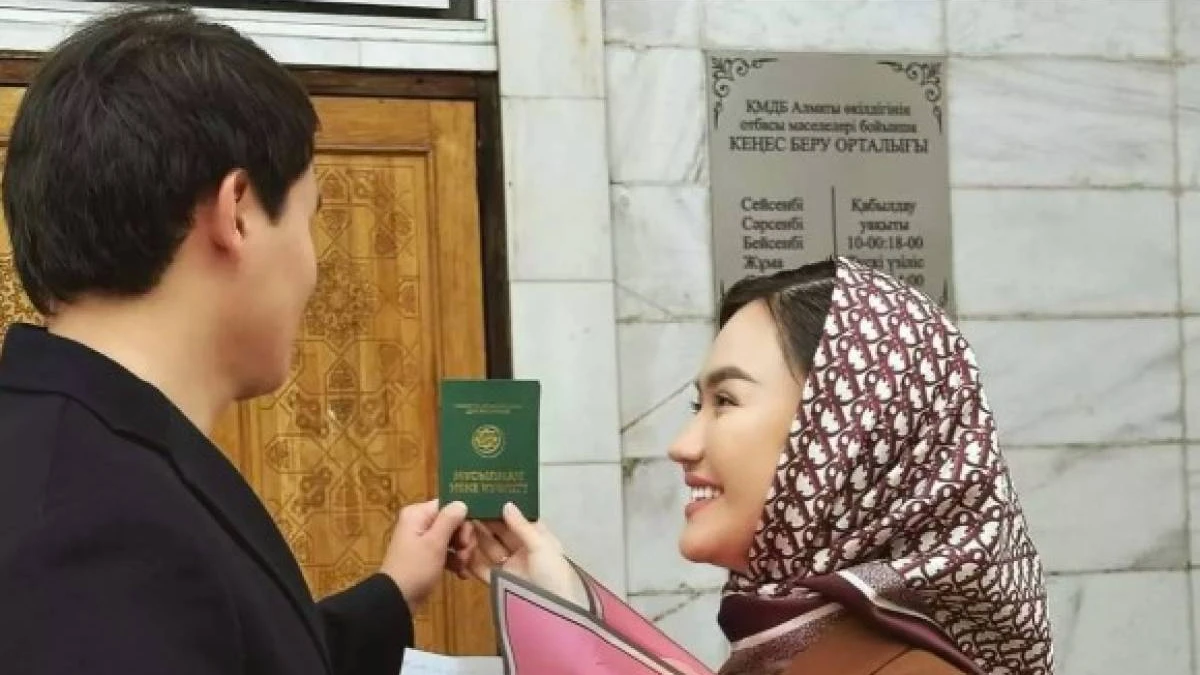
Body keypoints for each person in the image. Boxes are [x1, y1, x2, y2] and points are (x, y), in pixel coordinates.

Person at [0, 6, 470, 675]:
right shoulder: (92, 534)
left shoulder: (79, 461)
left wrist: (392, 593)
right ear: (239, 211)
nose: (312, 266)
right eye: (309, 219)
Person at [467, 257, 1054, 675]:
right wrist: (566, 605)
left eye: (725, 401)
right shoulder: (790, 648)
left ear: (848, 434)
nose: (682, 445)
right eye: (698, 406)